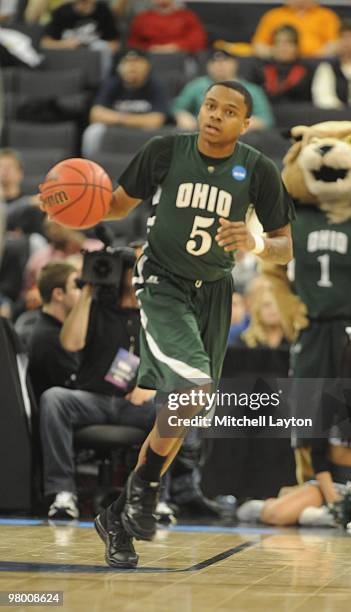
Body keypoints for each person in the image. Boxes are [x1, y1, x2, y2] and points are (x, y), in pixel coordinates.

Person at [72, 80, 294, 568]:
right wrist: (72, 203)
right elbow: (114, 205)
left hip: (214, 294)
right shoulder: (164, 151)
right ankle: (146, 490)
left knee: (184, 406)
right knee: (192, 385)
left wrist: (254, 243)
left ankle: (119, 514)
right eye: (209, 106)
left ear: (245, 123)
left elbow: (285, 246)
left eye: (227, 110)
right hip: (163, 283)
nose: (214, 115)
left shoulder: (258, 169)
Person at [237, 337, 351, 528]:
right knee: (276, 515)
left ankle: (320, 516)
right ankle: (271, 507)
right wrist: (333, 498)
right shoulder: (330, 401)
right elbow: (318, 457)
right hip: (328, 485)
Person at [39, 249, 156, 520]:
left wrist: (151, 386)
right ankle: (63, 492)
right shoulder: (96, 307)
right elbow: (70, 343)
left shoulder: (155, 312)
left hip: (134, 405)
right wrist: (88, 291)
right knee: (54, 398)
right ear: (123, 272)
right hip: (92, 399)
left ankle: (154, 495)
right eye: (136, 267)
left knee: (177, 405)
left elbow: (172, 360)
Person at [82, 49, 169, 159]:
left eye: (137, 62)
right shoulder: (111, 84)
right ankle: (92, 169)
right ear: (119, 67)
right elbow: (95, 114)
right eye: (126, 62)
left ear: (147, 66)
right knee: (93, 131)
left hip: (144, 132)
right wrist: (135, 119)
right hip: (115, 130)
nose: (132, 66)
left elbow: (156, 120)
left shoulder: (156, 85)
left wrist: (117, 118)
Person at [172, 50, 274, 132]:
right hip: (202, 135)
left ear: (235, 64)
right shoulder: (197, 85)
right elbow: (176, 107)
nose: (220, 66)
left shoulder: (252, 89)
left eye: (225, 62)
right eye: (215, 62)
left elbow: (266, 120)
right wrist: (181, 115)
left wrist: (240, 124)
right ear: (208, 66)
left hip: (240, 139)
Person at [28, 262, 81, 403]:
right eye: (77, 287)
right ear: (58, 294)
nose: (82, 294)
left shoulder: (56, 329)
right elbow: (78, 385)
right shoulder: (48, 338)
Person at [252, 0, 340, 60]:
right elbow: (259, 45)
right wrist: (280, 54)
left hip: (315, 63)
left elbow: (334, 44)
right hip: (279, 64)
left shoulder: (327, 16)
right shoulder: (273, 15)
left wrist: (312, 58)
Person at [127, 0, 207, 53]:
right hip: (149, 57)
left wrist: (176, 46)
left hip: (180, 56)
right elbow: (133, 44)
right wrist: (150, 48)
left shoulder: (186, 16)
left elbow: (198, 41)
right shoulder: (142, 18)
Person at [259, 25, 313, 103]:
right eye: (278, 42)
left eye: (288, 42)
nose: (283, 47)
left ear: (296, 46)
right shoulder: (261, 68)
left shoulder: (306, 70)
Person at [40, 0, 119, 50]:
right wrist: (64, 44)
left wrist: (94, 47)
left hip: (94, 59)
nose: (84, 4)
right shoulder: (61, 12)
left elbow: (114, 45)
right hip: (67, 58)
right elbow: (45, 43)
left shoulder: (104, 11)